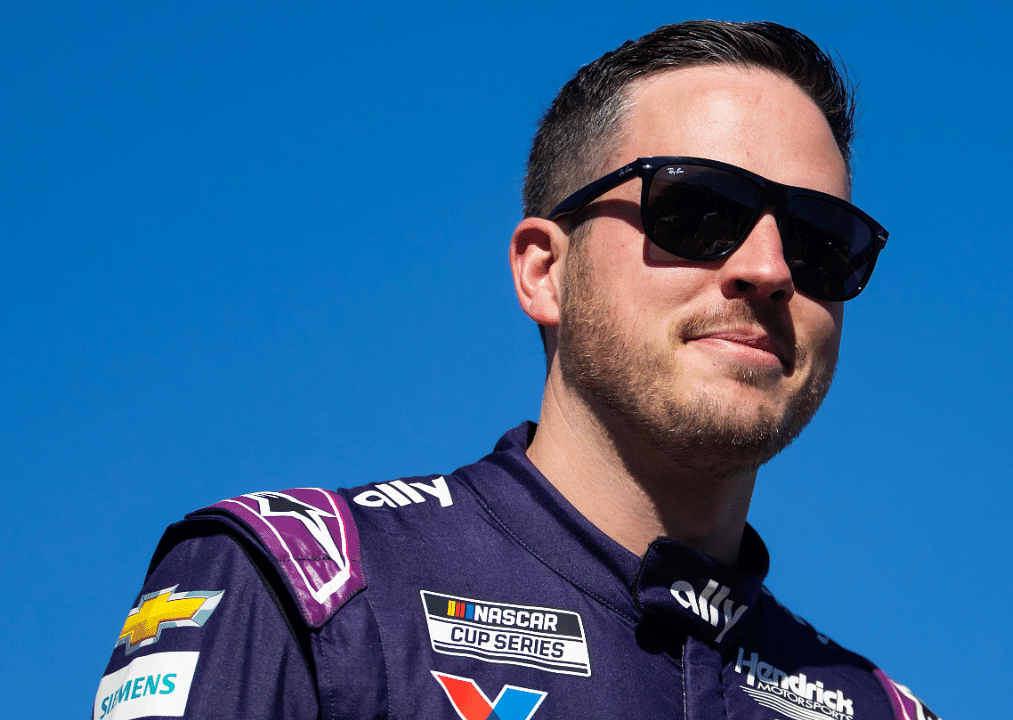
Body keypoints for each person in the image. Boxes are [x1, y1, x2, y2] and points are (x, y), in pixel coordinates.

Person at [94, 20, 940, 720]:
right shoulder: (309, 589)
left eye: (821, 241)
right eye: (698, 210)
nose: (768, 270)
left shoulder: (880, 708)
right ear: (544, 270)